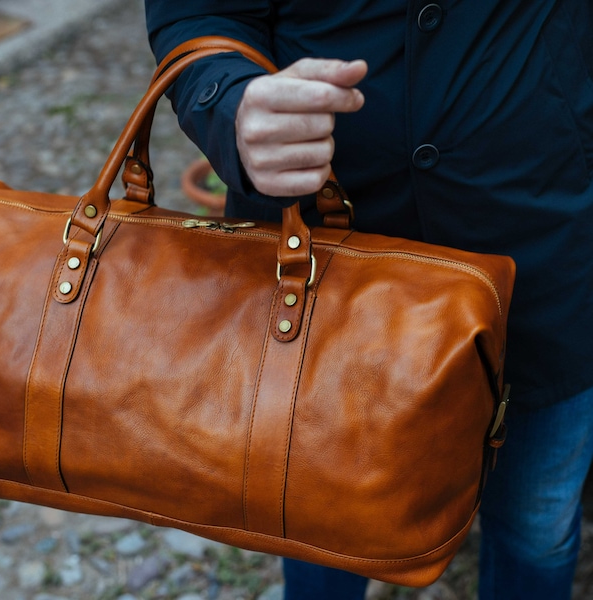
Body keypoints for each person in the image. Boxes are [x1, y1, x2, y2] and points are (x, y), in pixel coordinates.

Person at [144, 2, 593, 599]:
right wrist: (230, 103)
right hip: (321, 267)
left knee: (536, 524)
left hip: (549, 249)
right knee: (319, 525)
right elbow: (199, 14)